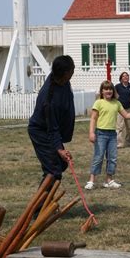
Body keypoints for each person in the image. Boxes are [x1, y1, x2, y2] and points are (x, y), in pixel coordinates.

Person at [85, 80, 130, 190]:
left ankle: (109, 180)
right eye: (106, 89)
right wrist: (91, 133)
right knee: (98, 157)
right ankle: (91, 180)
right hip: (100, 133)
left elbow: (126, 115)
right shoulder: (98, 103)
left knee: (112, 158)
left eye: (110, 89)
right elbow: (93, 118)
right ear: (102, 91)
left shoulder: (117, 103)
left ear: (113, 91)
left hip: (112, 135)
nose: (108, 91)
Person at [28, 55, 75, 183]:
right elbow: (52, 128)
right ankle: (41, 203)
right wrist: (59, 149)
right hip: (40, 131)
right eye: (72, 69)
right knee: (54, 171)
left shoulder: (62, 80)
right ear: (65, 73)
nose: (73, 71)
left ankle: (45, 202)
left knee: (60, 164)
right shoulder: (49, 100)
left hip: (50, 130)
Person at [115, 72, 130, 148]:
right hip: (120, 110)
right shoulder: (118, 87)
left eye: (127, 76)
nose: (125, 77)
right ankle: (119, 143)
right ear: (121, 78)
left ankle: (128, 142)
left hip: (129, 109)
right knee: (119, 127)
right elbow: (115, 97)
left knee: (129, 128)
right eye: (123, 76)